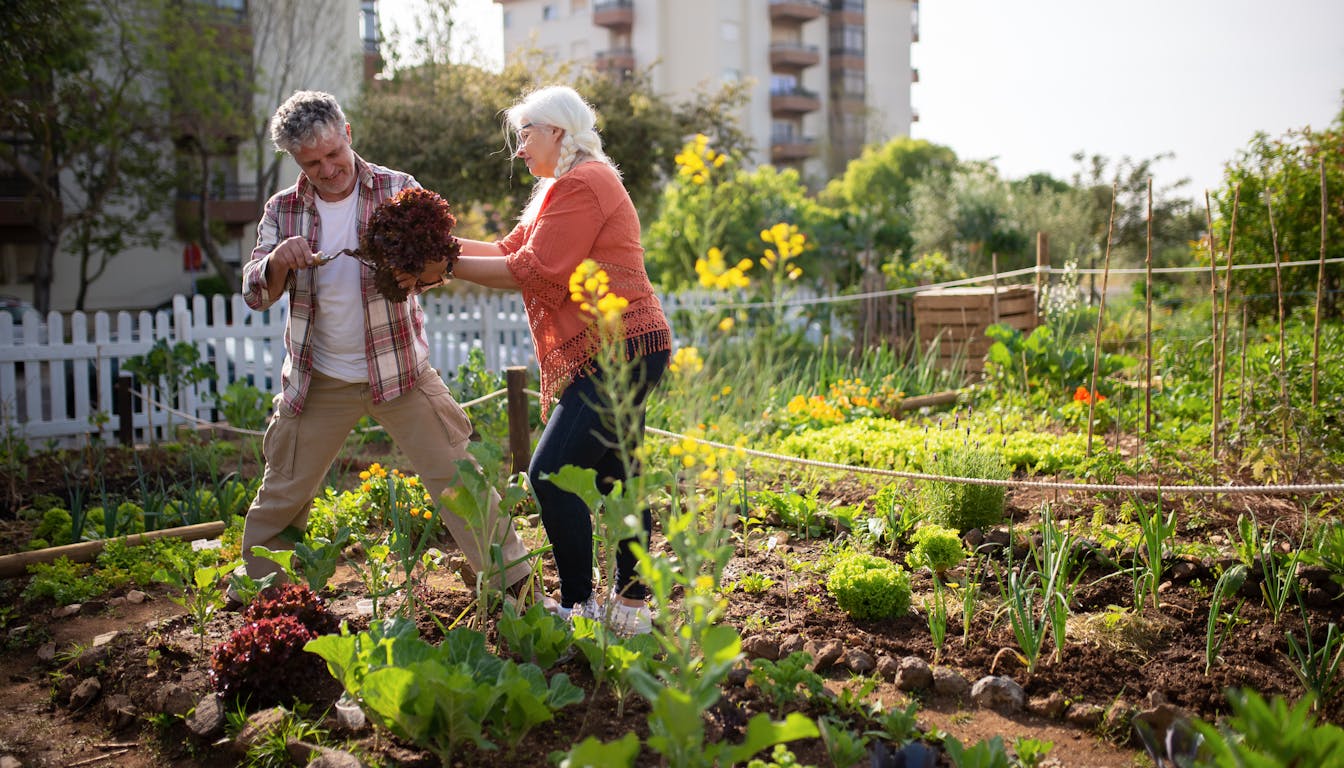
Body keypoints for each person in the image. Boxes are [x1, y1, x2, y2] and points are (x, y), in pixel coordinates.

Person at [239, 90, 531, 597]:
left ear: (347, 134)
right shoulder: (281, 210)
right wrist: (277, 262)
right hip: (319, 380)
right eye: (312, 163)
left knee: (461, 479)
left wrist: (418, 269)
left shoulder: (399, 190)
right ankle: (261, 601)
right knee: (283, 491)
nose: (328, 169)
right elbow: (254, 293)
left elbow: (440, 266)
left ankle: (517, 590)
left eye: (334, 154)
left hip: (401, 372)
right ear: (295, 160)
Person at [401, 85, 671, 635]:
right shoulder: (561, 188)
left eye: (525, 135)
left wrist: (441, 263)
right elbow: (508, 252)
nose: (519, 148)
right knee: (622, 476)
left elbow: (536, 269)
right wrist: (436, 244)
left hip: (619, 349)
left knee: (549, 475)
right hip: (621, 346)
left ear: (557, 132)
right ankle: (633, 607)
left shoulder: (586, 181)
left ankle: (581, 607)